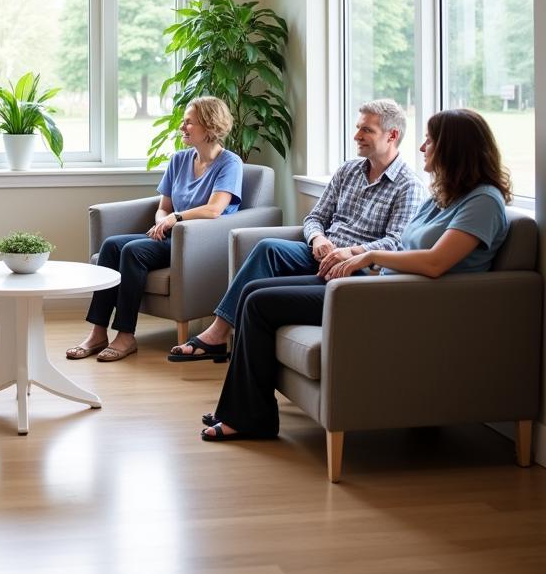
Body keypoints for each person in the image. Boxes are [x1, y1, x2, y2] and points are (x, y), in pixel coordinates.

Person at [201, 108, 511, 442]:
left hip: (393, 300)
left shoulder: (483, 203)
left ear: (455, 148)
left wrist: (367, 254)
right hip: (379, 287)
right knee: (254, 292)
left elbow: (435, 263)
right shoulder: (446, 196)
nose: (422, 147)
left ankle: (249, 419)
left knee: (260, 302)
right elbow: (405, 244)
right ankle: (243, 412)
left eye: (430, 141)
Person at [169, 98, 423, 362]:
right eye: (358, 128)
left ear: (392, 135)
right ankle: (221, 331)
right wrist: (318, 238)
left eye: (366, 130)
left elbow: (396, 243)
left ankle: (224, 338)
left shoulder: (408, 186)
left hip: (356, 267)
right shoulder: (348, 170)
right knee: (268, 248)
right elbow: (314, 217)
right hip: (320, 252)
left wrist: (350, 252)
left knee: (261, 294)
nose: (357, 135)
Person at [67, 96, 244, 363]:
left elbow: (215, 209)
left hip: (198, 242)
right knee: (112, 245)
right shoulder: (179, 160)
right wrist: (162, 221)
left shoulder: (230, 163)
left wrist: (175, 218)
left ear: (209, 126)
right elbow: (163, 206)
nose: (182, 127)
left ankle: (126, 336)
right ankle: (98, 332)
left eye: (188, 123)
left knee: (133, 252)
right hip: (169, 235)